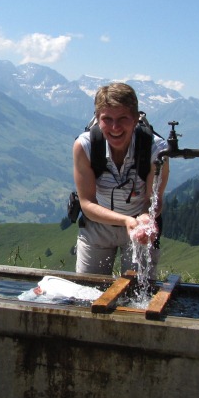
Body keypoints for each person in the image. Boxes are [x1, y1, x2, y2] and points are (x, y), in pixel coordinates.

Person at [73, 83, 169, 279]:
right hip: (96, 226)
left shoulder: (156, 149)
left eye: (122, 119)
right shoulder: (85, 146)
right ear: (98, 120)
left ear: (134, 119)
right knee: (87, 291)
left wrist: (145, 218)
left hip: (138, 227)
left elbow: (154, 199)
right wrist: (126, 220)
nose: (115, 127)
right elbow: (86, 203)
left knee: (138, 292)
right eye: (107, 119)